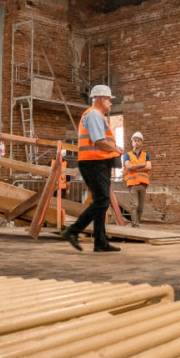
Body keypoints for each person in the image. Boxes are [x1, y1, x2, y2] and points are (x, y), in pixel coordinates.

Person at [62, 85, 122, 252]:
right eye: (109, 99)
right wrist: (116, 150)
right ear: (102, 99)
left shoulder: (98, 115)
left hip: (96, 163)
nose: (110, 103)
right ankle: (73, 230)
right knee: (102, 201)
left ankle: (100, 242)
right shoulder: (94, 114)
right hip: (94, 163)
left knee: (100, 202)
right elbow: (98, 141)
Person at [122, 131, 151, 227]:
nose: (136, 142)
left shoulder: (146, 155)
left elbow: (149, 167)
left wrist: (134, 167)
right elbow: (128, 167)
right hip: (133, 183)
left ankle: (137, 222)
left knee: (141, 207)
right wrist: (142, 165)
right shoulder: (127, 155)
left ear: (142, 142)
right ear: (132, 142)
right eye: (135, 140)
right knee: (134, 205)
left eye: (139, 141)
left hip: (143, 184)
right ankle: (135, 224)